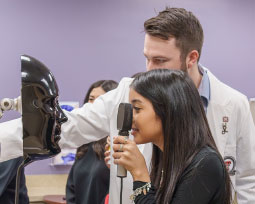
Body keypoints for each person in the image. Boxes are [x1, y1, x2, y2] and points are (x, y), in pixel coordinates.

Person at [0, 7, 255, 204]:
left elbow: (247, 181)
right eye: (147, 59)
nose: (149, 70)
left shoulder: (233, 104)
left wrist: (140, 174)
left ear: (191, 58)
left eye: (160, 60)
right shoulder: (128, 90)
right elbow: (71, 126)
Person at [112, 69, 232, 203]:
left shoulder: (205, 163)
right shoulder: (167, 158)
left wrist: (140, 174)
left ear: (167, 110)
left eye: (137, 109)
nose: (130, 118)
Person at [66, 80, 118, 204]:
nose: (93, 105)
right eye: (91, 99)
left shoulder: (115, 146)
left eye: (100, 100)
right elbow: (71, 187)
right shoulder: (84, 146)